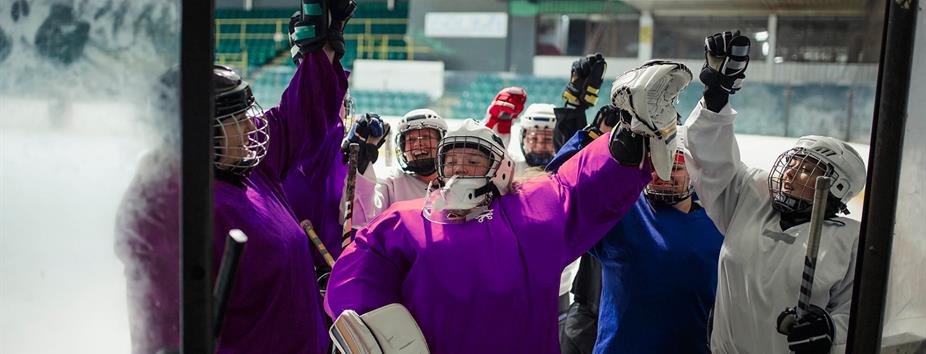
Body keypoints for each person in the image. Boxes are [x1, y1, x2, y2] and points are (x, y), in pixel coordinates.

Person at [324, 60, 693, 353]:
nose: (460, 169)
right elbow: (354, 281)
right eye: (452, 162)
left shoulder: (531, 209)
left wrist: (628, 140)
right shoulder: (403, 222)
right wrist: (378, 331)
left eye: (472, 161)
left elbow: (581, 187)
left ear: (499, 167)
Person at [115, 1, 354, 352]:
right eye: (236, 119)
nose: (250, 126)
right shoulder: (170, 209)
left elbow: (298, 116)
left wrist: (323, 48)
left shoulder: (244, 164)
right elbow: (164, 330)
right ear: (196, 131)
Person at [683, 31, 866, 354]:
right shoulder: (752, 197)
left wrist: (830, 330)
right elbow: (710, 161)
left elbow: (860, 314)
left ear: (837, 187)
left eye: (808, 168)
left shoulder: (849, 242)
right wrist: (717, 94)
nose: (792, 172)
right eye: (793, 162)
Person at [345, 108, 448, 228]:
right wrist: (360, 167)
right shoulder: (392, 183)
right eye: (411, 139)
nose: (417, 144)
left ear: (443, 143)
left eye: (426, 137)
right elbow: (359, 219)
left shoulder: (457, 184)